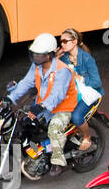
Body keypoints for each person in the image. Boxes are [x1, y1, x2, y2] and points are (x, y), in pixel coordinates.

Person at [7, 32, 78, 177]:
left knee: (54, 129)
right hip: (42, 106)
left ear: (49, 55)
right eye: (34, 53)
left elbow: (57, 95)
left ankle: (58, 162)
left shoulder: (62, 70)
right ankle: (35, 154)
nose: (35, 56)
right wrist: (10, 98)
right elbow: (25, 83)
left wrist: (41, 107)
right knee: (25, 124)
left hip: (62, 108)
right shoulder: (36, 67)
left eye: (38, 54)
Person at [57, 28, 101, 153]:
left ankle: (87, 137)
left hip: (87, 95)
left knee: (76, 117)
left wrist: (77, 76)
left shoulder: (86, 59)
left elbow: (96, 82)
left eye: (65, 41)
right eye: (61, 42)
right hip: (70, 94)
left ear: (75, 41)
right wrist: (54, 59)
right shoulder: (63, 58)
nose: (62, 44)